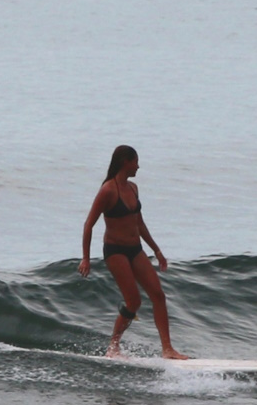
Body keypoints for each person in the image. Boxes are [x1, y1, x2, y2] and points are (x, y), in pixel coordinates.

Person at [79, 145, 187, 360]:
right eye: (135, 161)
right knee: (133, 302)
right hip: (115, 250)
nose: (138, 166)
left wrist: (156, 250)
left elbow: (139, 223)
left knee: (158, 295)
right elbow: (89, 224)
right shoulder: (108, 190)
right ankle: (113, 347)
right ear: (125, 162)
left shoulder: (134, 188)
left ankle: (167, 349)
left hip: (135, 249)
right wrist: (86, 258)